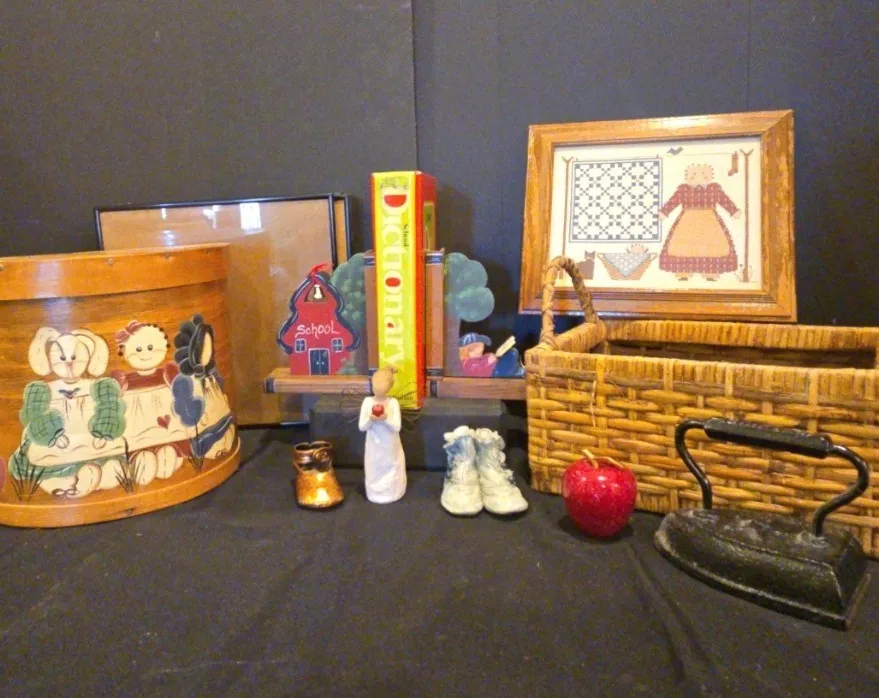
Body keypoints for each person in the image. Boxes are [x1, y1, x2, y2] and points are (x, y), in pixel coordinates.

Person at [658, 163, 741, 281]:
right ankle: (684, 270)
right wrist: (664, 212)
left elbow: (724, 200)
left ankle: (710, 271)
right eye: (693, 175)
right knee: (684, 246)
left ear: (709, 176)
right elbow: (673, 201)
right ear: (687, 177)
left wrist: (733, 211)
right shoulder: (684, 190)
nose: (698, 177)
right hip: (686, 222)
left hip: (710, 222)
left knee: (712, 245)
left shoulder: (714, 189)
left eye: (703, 174)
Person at [358, 366, 406, 503]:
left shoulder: (393, 403)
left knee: (391, 466)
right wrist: (370, 419)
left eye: (382, 391)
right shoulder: (367, 402)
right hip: (374, 445)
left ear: (390, 387)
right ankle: (375, 492)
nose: (378, 396)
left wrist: (385, 419)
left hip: (389, 444)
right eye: (376, 390)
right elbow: (362, 426)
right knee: (374, 468)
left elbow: (396, 427)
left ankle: (393, 491)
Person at [458, 333, 524, 378]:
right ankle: (516, 370)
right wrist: (487, 361)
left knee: (511, 354)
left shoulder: (475, 358)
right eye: (477, 349)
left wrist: (488, 356)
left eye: (482, 347)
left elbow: (482, 359)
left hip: (496, 371)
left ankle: (517, 370)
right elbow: (476, 369)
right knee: (512, 353)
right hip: (495, 374)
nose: (481, 351)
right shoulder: (467, 363)